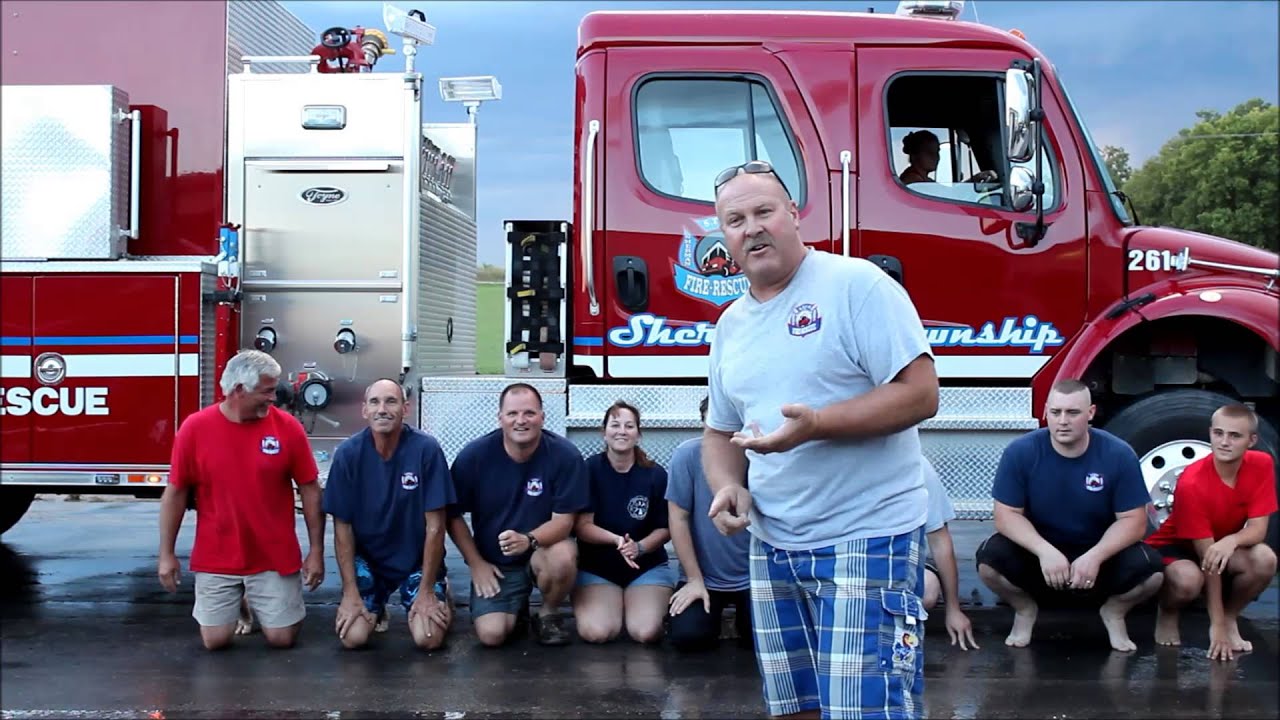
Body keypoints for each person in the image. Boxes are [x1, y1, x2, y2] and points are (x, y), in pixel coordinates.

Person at [704, 160, 940, 720]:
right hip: (773, 544)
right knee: (797, 709)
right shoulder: (731, 325)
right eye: (735, 219)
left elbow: (920, 394)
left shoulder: (855, 285)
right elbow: (718, 430)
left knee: (867, 711)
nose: (752, 227)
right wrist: (726, 487)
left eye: (764, 211)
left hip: (867, 535)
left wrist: (817, 425)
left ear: (795, 215)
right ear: (725, 239)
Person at [975, 379, 1164, 652]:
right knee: (989, 562)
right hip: (1040, 554)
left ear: (1091, 413)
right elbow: (1006, 516)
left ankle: (1114, 612)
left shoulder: (1118, 454)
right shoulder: (1021, 452)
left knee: (1153, 573)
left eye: (1073, 413)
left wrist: (1096, 556)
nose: (1063, 421)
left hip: (1099, 555)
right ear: (1046, 412)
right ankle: (1026, 609)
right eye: (1056, 412)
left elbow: (1133, 522)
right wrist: (1044, 550)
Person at [157, 349, 325, 650]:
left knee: (281, 639)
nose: (274, 398)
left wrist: (315, 551)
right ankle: (241, 598)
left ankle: (255, 595)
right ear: (238, 390)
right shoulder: (195, 429)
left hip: (273, 555)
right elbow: (176, 492)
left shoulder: (287, 428)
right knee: (215, 641)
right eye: (267, 391)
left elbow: (310, 488)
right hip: (217, 554)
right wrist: (166, 554)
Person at [446, 382, 588, 647]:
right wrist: (476, 564)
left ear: (543, 417)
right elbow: (451, 516)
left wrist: (529, 539)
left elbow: (565, 521)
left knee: (563, 555)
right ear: (500, 418)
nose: (521, 421)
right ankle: (516, 607)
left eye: (529, 413)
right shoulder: (474, 457)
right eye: (512, 414)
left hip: (541, 551)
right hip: (496, 563)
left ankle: (548, 612)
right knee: (492, 635)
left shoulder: (564, 456)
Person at [322, 378, 456, 651]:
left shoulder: (426, 450)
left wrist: (427, 591)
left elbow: (435, 527)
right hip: (370, 561)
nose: (382, 409)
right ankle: (376, 604)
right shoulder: (348, 455)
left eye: (391, 401)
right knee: (353, 638)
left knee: (427, 638)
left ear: (405, 409)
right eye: (375, 402)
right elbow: (342, 529)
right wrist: (349, 593)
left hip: (414, 561)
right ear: (364, 410)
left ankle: (443, 592)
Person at [1146, 403, 1277, 661]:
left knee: (1264, 559)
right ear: (1210, 433)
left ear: (1252, 441)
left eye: (1235, 435)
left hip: (1218, 544)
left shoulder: (1262, 464)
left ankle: (1231, 617)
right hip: (1177, 546)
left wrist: (1231, 540)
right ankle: (1168, 610)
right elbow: (1209, 562)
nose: (1224, 442)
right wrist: (1213, 627)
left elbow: (1258, 529)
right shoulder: (1192, 482)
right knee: (1188, 581)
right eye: (1218, 433)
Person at [573, 401, 675, 644]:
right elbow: (582, 526)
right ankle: (610, 604)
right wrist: (617, 540)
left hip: (646, 568)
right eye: (615, 425)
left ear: (638, 434)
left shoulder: (655, 474)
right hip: (598, 569)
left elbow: (666, 528)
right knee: (597, 632)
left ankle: (635, 604)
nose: (622, 431)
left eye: (629, 426)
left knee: (646, 632)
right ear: (604, 432)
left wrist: (639, 547)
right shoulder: (589, 470)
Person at [666, 396, 753, 653]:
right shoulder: (687, 456)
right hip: (706, 577)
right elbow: (678, 518)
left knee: (759, 642)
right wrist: (693, 579)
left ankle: (740, 621)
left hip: (753, 577)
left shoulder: (758, 457)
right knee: (689, 638)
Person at [920, 459, 978, 651]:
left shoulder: (916, 465)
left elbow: (939, 540)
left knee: (927, 590)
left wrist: (953, 608)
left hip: (898, 560)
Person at [898, 129, 996, 186]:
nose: (935, 157)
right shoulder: (913, 182)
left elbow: (949, 195)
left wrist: (974, 180)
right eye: (929, 152)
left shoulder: (925, 180)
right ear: (915, 155)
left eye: (937, 152)